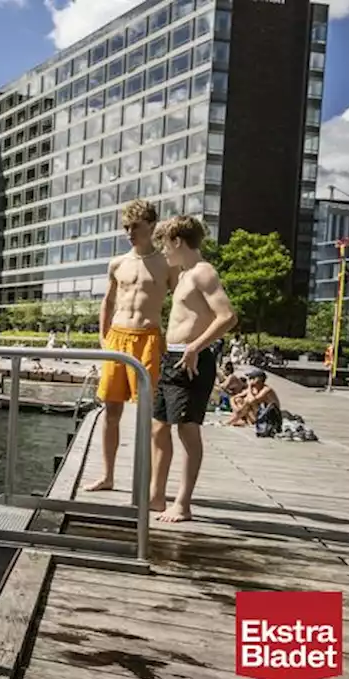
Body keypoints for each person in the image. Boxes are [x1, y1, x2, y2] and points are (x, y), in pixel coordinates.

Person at [148, 215, 238, 523]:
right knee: (159, 427)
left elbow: (227, 317)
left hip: (192, 362)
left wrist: (194, 347)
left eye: (164, 244)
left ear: (177, 241)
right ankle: (156, 497)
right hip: (172, 360)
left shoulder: (203, 273)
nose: (162, 251)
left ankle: (183, 503)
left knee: (187, 431)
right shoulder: (183, 274)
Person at [85, 199, 174, 492]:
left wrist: (171, 339)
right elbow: (108, 302)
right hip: (118, 337)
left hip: (148, 339)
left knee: (150, 414)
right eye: (126, 227)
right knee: (111, 410)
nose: (129, 232)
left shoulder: (165, 264)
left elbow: (182, 303)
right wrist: (103, 337)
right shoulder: (118, 263)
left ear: (150, 225)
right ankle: (108, 475)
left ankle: (150, 483)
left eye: (134, 226)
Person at [229, 368, 280, 433]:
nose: (250, 380)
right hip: (260, 415)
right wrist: (236, 408)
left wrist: (249, 386)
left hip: (270, 417)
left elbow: (253, 401)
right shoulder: (254, 389)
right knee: (239, 400)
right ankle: (240, 420)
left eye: (252, 378)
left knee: (248, 401)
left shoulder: (266, 390)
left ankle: (232, 421)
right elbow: (233, 398)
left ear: (260, 379)